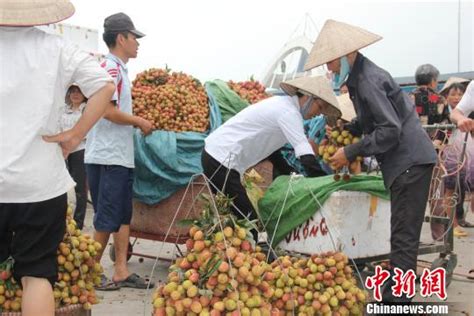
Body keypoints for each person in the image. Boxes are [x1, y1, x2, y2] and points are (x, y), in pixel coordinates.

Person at [304, 19, 437, 303]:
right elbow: (370, 121)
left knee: (403, 235)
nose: (329, 69)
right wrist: (349, 129)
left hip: (409, 162)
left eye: (330, 62)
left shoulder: (367, 81)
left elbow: (390, 130)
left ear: (345, 56)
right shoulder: (359, 79)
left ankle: (398, 301)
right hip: (407, 162)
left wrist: (350, 152)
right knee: (401, 231)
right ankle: (394, 294)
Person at [0, 0, 115, 315]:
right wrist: (76, 134)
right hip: (38, 183)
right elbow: (105, 87)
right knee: (36, 275)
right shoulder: (58, 48)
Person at [202, 76, 341, 238]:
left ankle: (231, 255)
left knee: (233, 218)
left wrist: (288, 172)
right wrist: (324, 183)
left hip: (216, 156)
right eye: (319, 107)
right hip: (220, 158)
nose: (317, 113)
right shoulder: (289, 113)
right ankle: (257, 258)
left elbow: (274, 153)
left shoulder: (282, 106)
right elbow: (305, 154)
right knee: (249, 221)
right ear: (308, 98)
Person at [85, 12, 153, 290]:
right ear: (120, 38)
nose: (138, 43)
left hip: (119, 156)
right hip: (107, 156)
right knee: (106, 217)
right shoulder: (110, 69)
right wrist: (138, 121)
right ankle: (88, 273)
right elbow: (107, 110)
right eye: (134, 37)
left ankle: (121, 270)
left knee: (123, 216)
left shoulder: (121, 70)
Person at [60, 85, 89, 229]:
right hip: (63, 152)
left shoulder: (87, 110)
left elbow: (87, 131)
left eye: (79, 91)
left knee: (80, 188)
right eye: (73, 91)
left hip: (80, 151)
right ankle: (63, 221)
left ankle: (78, 223)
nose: (76, 94)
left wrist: (71, 142)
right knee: (62, 187)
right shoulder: (63, 110)